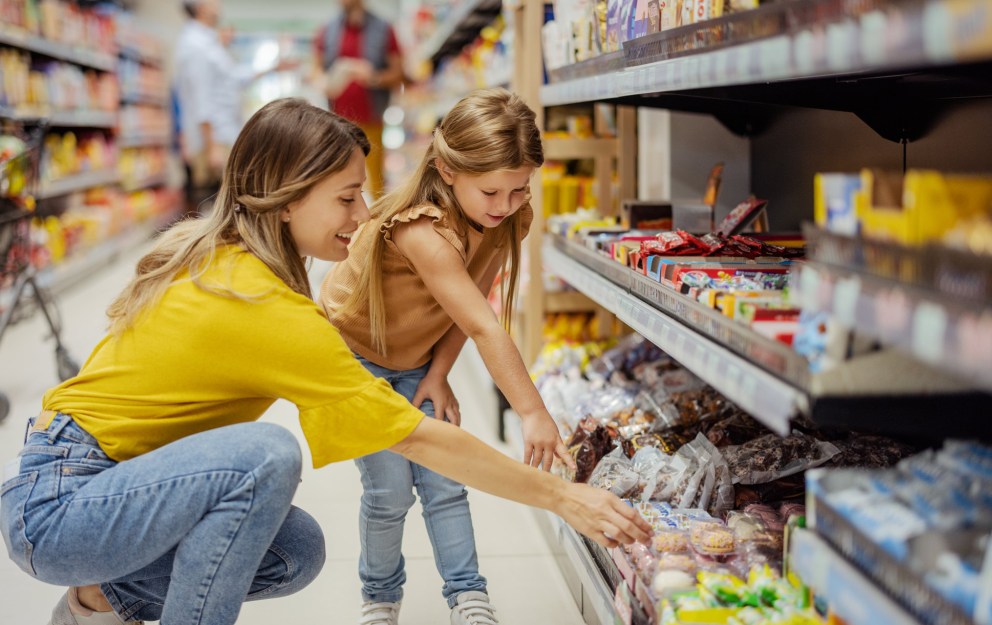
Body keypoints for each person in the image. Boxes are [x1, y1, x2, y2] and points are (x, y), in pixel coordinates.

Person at [0, 98, 651, 625]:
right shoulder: (261, 303)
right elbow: (419, 437)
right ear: (287, 199)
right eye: (345, 198)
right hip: (61, 504)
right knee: (265, 455)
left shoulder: (236, 261)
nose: (363, 215)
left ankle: (99, 601)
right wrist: (562, 496)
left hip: (98, 488)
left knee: (296, 551)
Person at [318, 88, 573, 625]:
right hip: (353, 361)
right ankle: (380, 599)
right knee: (388, 491)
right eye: (492, 190)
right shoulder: (421, 231)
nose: (505, 204)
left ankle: (468, 597)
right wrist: (531, 412)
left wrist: (436, 373)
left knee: (446, 481)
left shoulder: (503, 218)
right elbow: (484, 325)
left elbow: (469, 308)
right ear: (447, 169)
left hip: (414, 361)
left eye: (519, 189)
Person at [173, 0, 296, 216]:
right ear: (200, 6)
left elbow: (235, 78)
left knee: (227, 203)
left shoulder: (208, 42)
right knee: (217, 204)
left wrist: (273, 68)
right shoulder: (195, 46)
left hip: (223, 135)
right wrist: (212, 145)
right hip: (213, 138)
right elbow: (201, 98)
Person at [311, 0, 404, 200]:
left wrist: (373, 77)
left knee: (375, 184)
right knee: (338, 182)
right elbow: (316, 70)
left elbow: (398, 74)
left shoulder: (383, 29)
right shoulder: (327, 30)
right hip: (337, 122)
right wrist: (323, 82)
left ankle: (376, 228)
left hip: (372, 120)